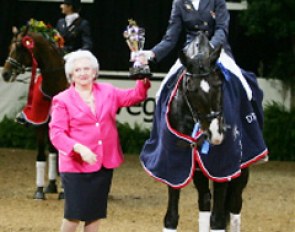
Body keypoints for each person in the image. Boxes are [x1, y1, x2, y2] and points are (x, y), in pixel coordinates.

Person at [138, 1, 268, 232]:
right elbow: (172, 36)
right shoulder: (179, 2)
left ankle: (251, 141)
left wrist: (208, 51)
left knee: (246, 90)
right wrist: (151, 54)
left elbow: (222, 29)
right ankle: (160, 145)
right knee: (161, 94)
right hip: (190, 53)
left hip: (217, 52)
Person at [48, 50, 150, 232]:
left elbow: (136, 96)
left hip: (103, 163)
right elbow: (56, 134)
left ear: (95, 72)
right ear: (71, 75)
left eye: (87, 68)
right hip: (76, 166)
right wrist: (79, 148)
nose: (83, 73)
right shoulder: (61, 100)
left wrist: (141, 73)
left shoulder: (108, 91)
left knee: (95, 215)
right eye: (77, 70)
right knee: (74, 215)